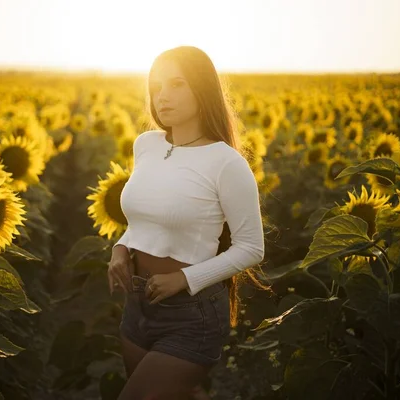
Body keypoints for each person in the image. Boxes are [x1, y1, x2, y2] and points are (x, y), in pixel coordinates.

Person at [107, 46, 269, 400]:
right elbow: (145, 217)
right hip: (137, 305)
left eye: (177, 84)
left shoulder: (227, 163)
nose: (162, 96)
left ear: (202, 88)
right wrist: (121, 247)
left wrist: (184, 278)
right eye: (156, 86)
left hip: (190, 314)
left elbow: (252, 248)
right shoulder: (146, 146)